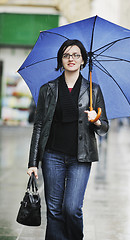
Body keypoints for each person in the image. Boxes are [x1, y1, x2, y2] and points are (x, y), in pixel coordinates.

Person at [27, 39, 109, 240]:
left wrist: (96, 121)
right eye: (66, 55)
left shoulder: (94, 90)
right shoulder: (48, 89)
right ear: (61, 60)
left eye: (76, 55)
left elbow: (105, 127)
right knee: (54, 211)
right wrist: (32, 162)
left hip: (80, 157)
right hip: (52, 155)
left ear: (83, 60)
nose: (71, 59)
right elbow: (39, 126)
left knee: (72, 209)